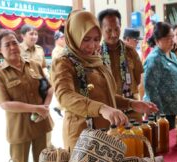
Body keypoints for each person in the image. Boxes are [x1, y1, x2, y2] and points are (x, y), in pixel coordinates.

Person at [51, 10, 158, 151]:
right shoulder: (63, 62)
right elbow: (65, 96)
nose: (92, 45)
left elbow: (107, 97)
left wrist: (131, 103)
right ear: (75, 35)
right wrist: (101, 109)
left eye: (96, 39)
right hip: (82, 137)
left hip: (107, 133)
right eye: (86, 39)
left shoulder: (97, 60)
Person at [0, 29, 53, 162]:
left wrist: (45, 106)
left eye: (15, 43)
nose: (13, 47)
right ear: (0, 50)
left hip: (40, 123)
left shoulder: (34, 65)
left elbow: (49, 88)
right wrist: (36, 108)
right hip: (19, 129)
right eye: (7, 45)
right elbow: (5, 104)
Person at [98, 9, 144, 122]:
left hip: (132, 111)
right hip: (108, 113)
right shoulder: (96, 55)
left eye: (117, 29)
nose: (114, 34)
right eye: (109, 30)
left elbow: (139, 80)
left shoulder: (131, 52)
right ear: (100, 29)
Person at [143, 22, 177, 129]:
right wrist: (160, 116)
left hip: (176, 109)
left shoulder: (172, 54)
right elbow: (151, 89)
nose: (171, 40)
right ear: (157, 40)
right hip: (164, 114)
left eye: (172, 37)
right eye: (167, 38)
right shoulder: (154, 59)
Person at [51, 31, 66, 117]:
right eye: (62, 38)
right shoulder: (56, 51)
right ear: (57, 40)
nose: (64, 40)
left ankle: (58, 107)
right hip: (60, 77)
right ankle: (59, 108)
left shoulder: (63, 49)